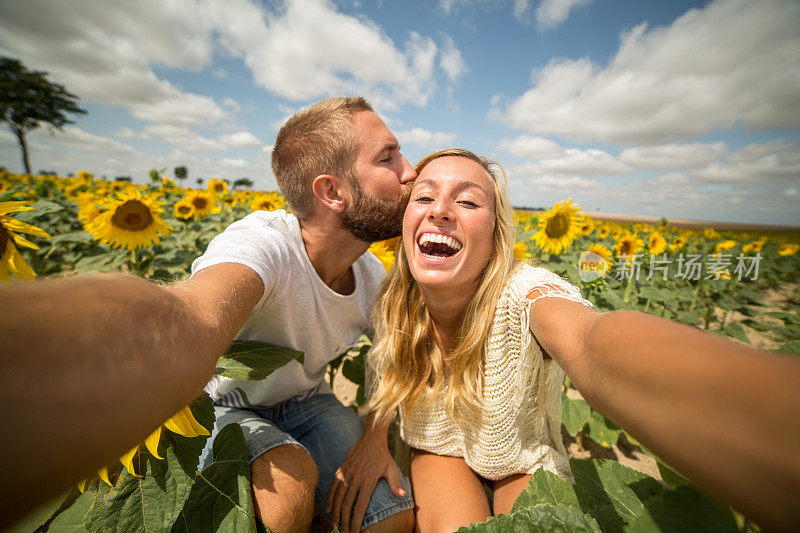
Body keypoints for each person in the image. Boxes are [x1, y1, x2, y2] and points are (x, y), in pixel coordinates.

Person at [0, 96, 416, 533]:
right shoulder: (265, 245)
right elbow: (194, 315)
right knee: (287, 491)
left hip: (306, 402)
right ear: (331, 191)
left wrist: (374, 439)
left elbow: (394, 356)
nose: (410, 171)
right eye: (388, 157)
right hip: (220, 403)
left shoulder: (374, 276)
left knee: (391, 521)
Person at [327, 148, 800, 533]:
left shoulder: (524, 293)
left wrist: (766, 418)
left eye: (469, 202)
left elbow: (592, 344)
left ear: (497, 236)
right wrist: (374, 437)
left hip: (518, 453)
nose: (441, 211)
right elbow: (386, 368)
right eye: (424, 198)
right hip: (438, 443)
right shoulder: (394, 297)